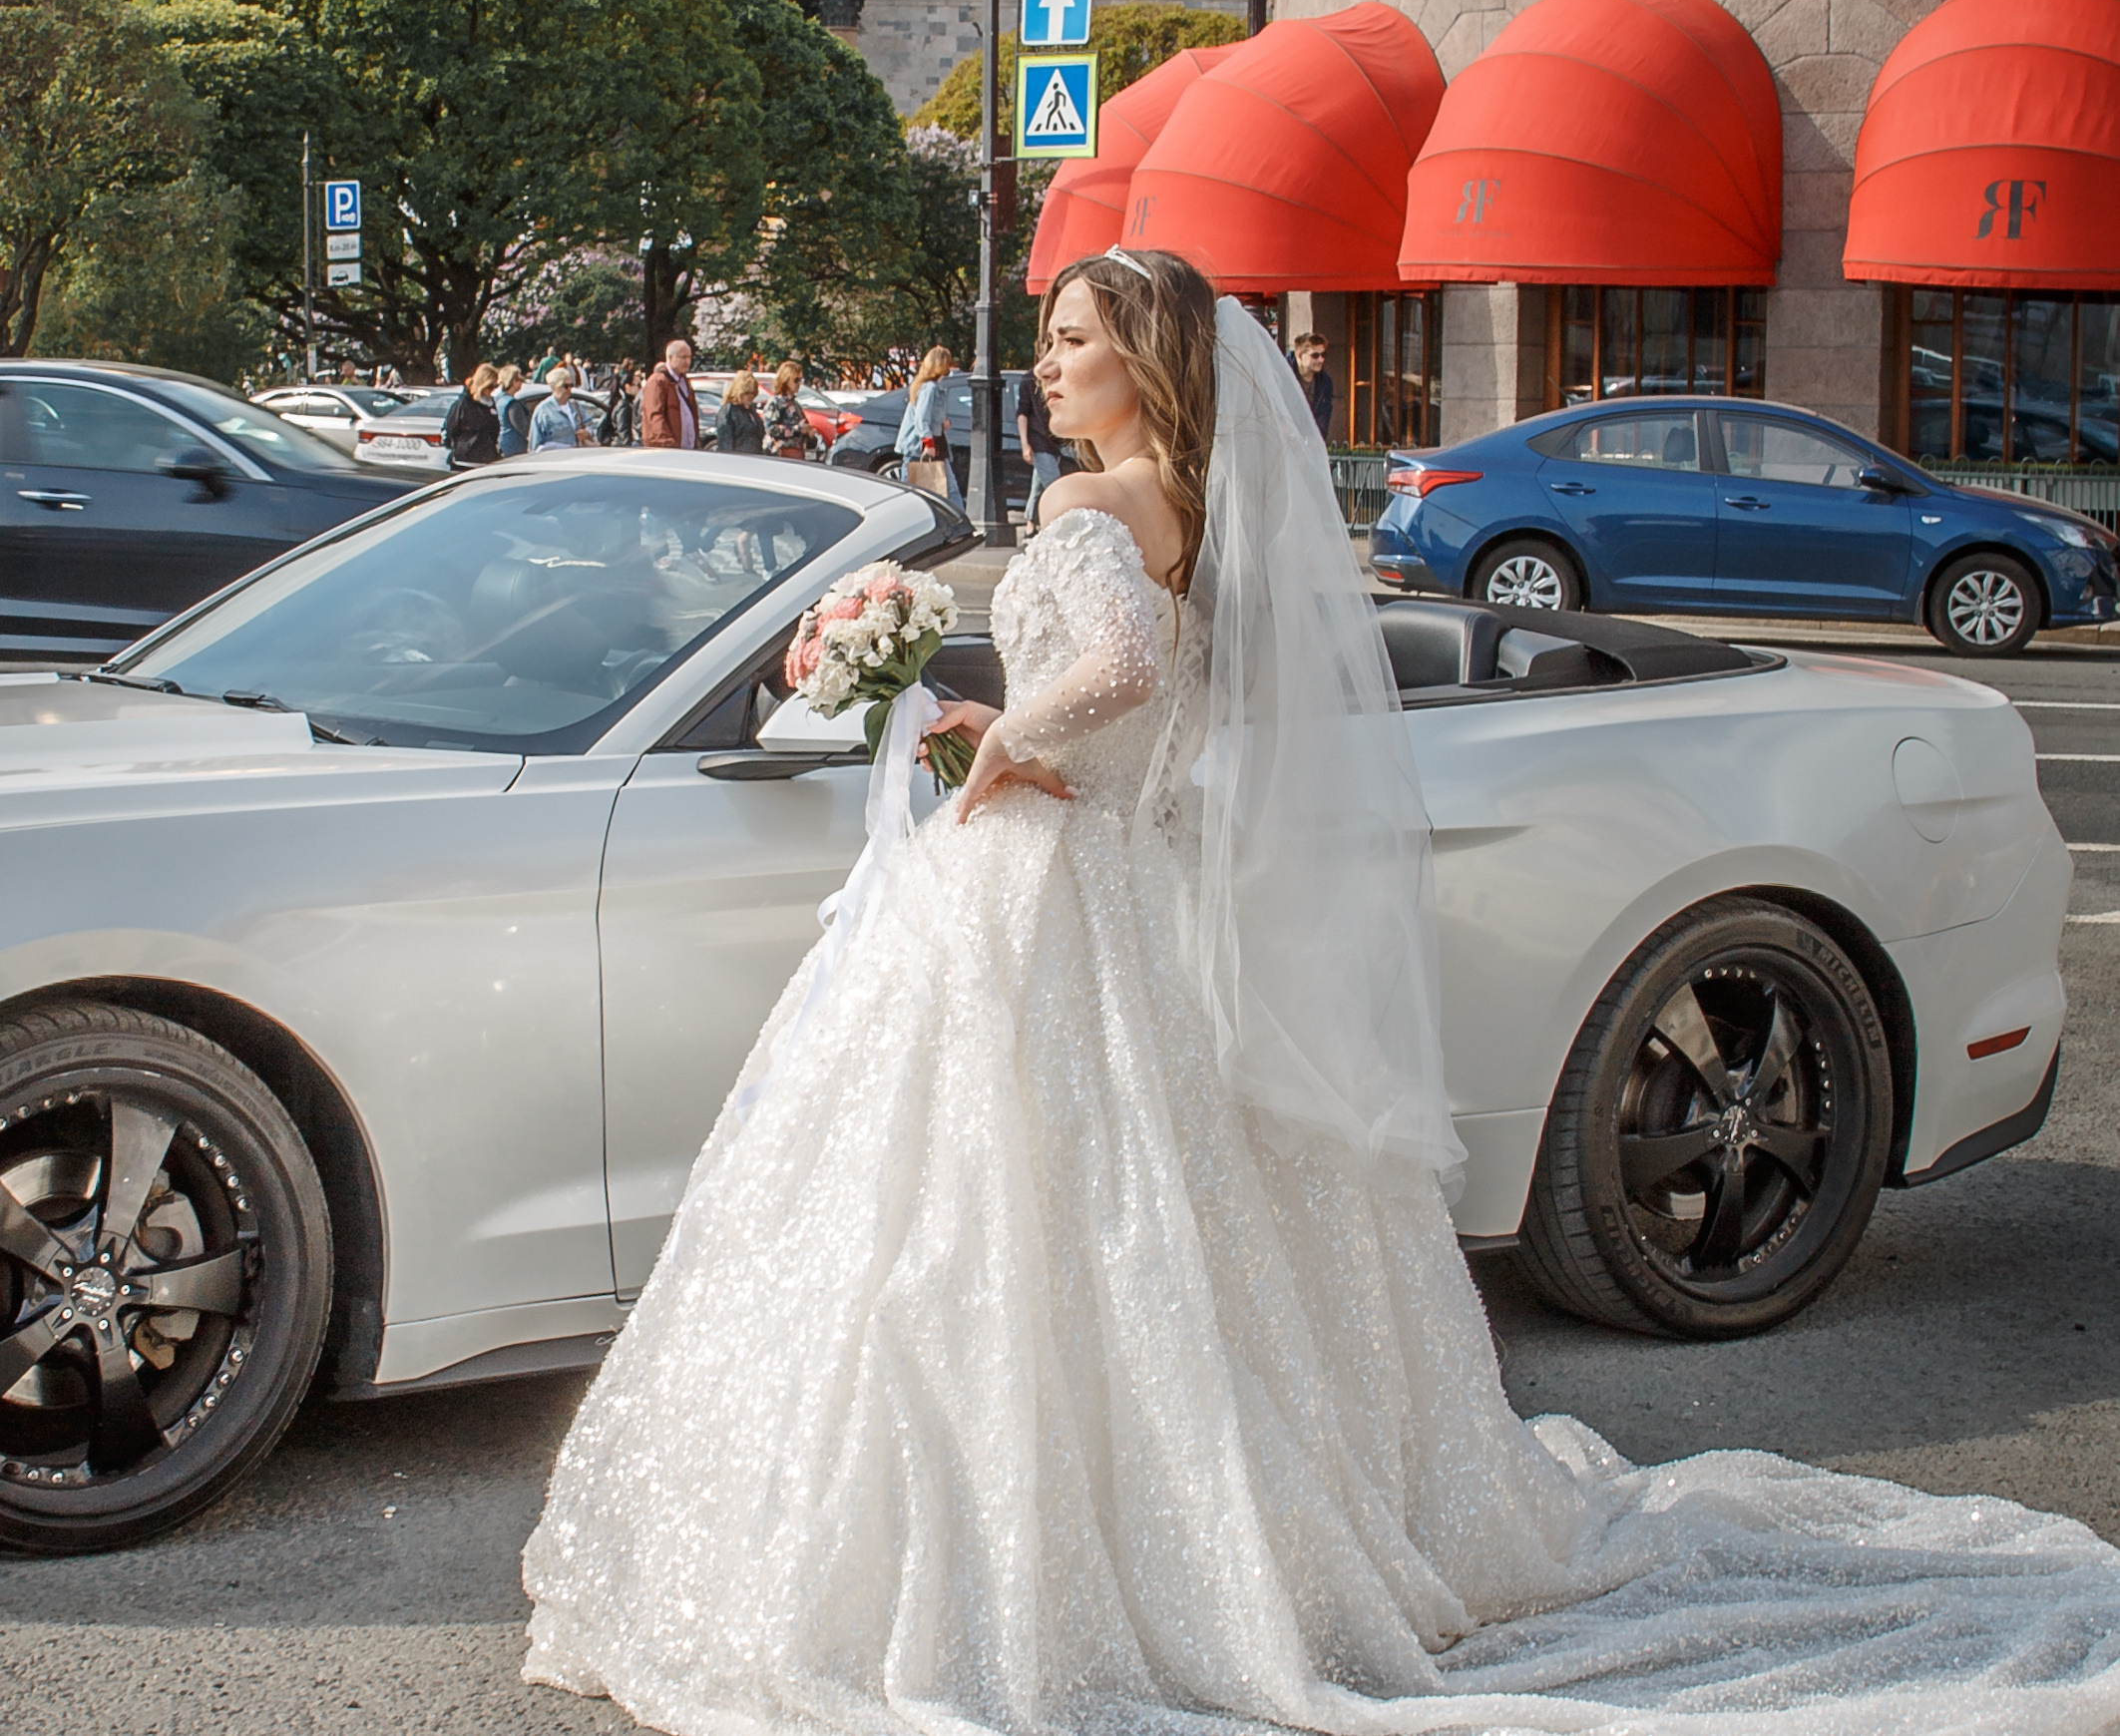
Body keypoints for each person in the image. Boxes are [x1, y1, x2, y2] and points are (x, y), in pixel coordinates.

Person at [524, 242, 2120, 1736]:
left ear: (1143, 361)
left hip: (1047, 889)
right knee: (1153, 1214)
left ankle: (1046, 1548)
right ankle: (1215, 1520)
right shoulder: (1198, 508)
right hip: (1133, 884)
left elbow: (1120, 678)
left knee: (995, 1217)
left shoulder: (1091, 498)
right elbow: (1167, 689)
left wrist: (1004, 735)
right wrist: (976, 711)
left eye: (1074, 339)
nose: (1047, 365)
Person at [893, 344, 961, 511]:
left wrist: (941, 421)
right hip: (921, 446)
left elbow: (926, 416)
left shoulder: (927, 386)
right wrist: (928, 443)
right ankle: (960, 521)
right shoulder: (929, 388)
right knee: (947, 489)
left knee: (916, 489)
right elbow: (921, 419)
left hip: (927, 444)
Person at [1015, 362, 1060, 528]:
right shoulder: (1029, 380)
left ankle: (1030, 524)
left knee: (1038, 484)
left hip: (1050, 440)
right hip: (1039, 440)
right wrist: (1025, 444)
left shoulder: (1046, 378)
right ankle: (1056, 524)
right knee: (1054, 484)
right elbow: (1022, 413)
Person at [640, 339, 699, 449]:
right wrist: (667, 443)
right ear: (670, 358)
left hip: (686, 450)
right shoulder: (658, 381)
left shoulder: (684, 382)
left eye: (689, 357)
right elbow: (654, 415)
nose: (687, 361)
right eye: (683, 357)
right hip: (666, 450)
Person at [442, 362, 501, 469]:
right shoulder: (464, 404)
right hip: (465, 460)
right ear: (483, 384)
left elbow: (494, 430)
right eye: (490, 386)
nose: (493, 390)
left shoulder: (490, 403)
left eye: (495, 386)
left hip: (487, 459)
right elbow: (450, 429)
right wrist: (459, 447)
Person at [1289, 327, 1335, 442]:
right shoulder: (1281, 375)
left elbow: (1323, 418)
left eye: (1323, 355)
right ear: (1299, 355)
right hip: (1283, 443)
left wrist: (1315, 443)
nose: (1321, 360)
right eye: (1315, 356)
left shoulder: (1325, 381)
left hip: (1310, 444)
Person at [529, 366, 591, 450]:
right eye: (565, 386)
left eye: (571, 385)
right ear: (554, 387)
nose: (569, 389)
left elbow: (590, 424)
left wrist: (587, 432)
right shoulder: (543, 411)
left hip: (577, 457)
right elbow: (535, 446)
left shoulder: (575, 406)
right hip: (556, 459)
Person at [761, 361, 812, 461]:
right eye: (796, 380)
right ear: (786, 379)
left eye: (801, 380)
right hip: (781, 456)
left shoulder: (794, 404)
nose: (799, 384)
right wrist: (796, 429)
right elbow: (770, 428)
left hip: (797, 454)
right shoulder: (776, 402)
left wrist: (809, 433)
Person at [714, 369, 765, 454]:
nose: (750, 396)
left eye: (753, 393)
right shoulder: (728, 411)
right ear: (739, 391)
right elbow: (725, 444)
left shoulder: (751, 410)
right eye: (747, 393)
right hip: (738, 460)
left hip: (755, 458)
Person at [494, 363, 535, 458]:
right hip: (515, 447)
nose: (521, 382)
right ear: (511, 381)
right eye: (518, 380)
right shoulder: (512, 404)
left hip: (503, 445)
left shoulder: (498, 399)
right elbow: (524, 428)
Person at [600, 363, 644, 447]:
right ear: (627, 387)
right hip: (620, 448)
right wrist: (628, 448)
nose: (640, 388)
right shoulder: (624, 405)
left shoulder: (629, 403)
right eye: (637, 385)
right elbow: (623, 432)